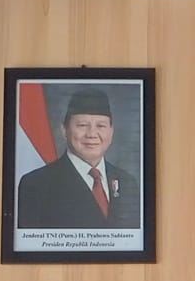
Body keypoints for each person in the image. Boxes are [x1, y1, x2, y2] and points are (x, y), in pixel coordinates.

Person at [17, 88, 140, 229]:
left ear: (111, 131)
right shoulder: (36, 185)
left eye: (101, 126)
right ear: (64, 130)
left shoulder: (127, 183)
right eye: (82, 125)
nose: (92, 134)